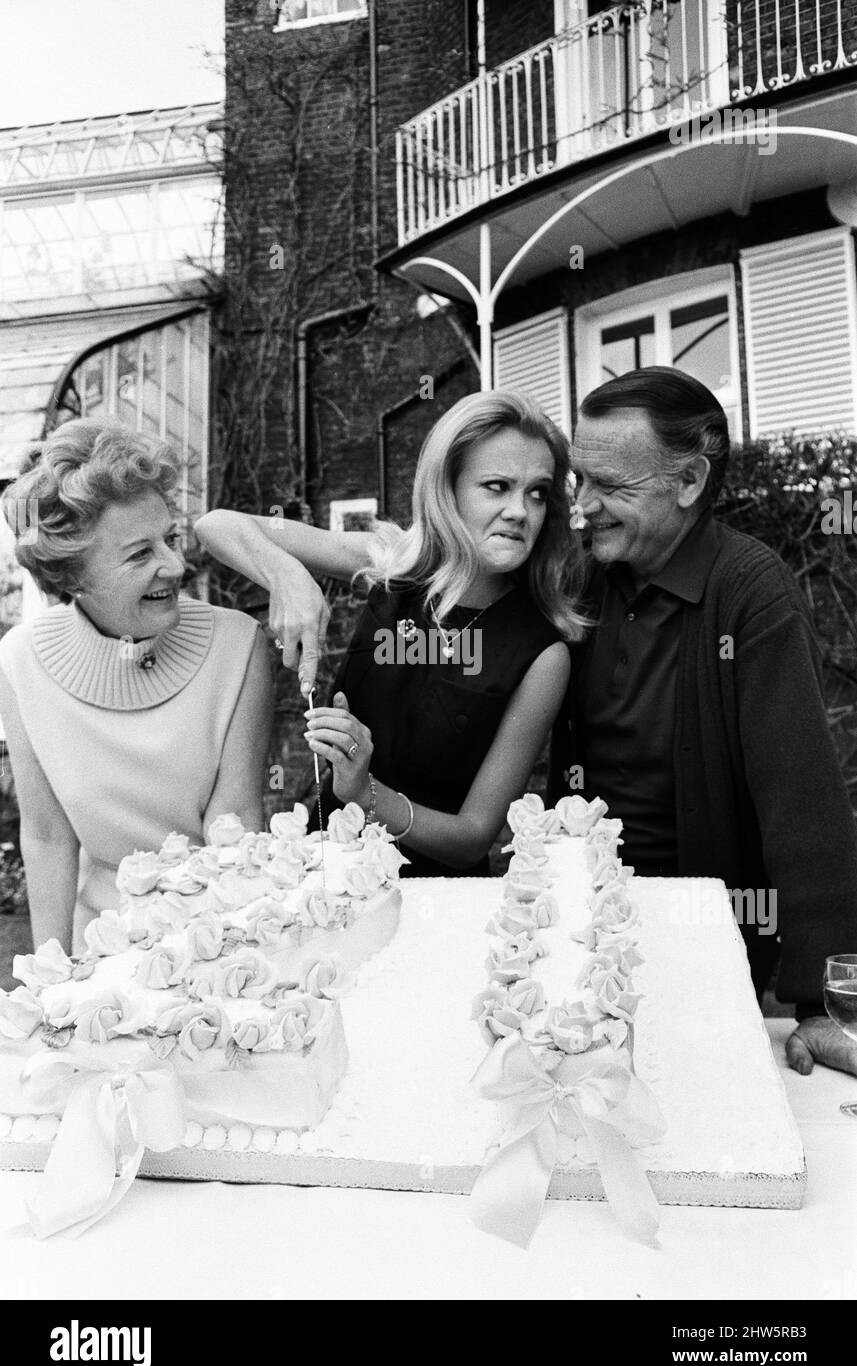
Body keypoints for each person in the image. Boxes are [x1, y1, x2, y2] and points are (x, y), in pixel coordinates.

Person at [546, 366, 857, 1078]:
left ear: (687, 482)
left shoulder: (748, 590)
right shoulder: (583, 576)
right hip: (581, 936)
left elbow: (800, 799)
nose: (581, 509)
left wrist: (820, 1003)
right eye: (577, 482)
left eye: (612, 488)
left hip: (705, 945)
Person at [195, 390, 584, 875]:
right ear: (448, 489)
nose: (520, 511)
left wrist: (365, 792)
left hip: (429, 900)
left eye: (537, 492)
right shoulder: (391, 563)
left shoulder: (543, 653)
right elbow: (215, 525)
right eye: (497, 486)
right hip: (321, 870)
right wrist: (286, 575)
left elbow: (471, 837)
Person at [0, 420, 273, 954]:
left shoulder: (238, 645)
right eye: (139, 553)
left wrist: (227, 965)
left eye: (170, 539)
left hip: (214, 939)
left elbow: (236, 822)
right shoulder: (19, 662)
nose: (175, 565)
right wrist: (49, 984)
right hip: (99, 948)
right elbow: (48, 836)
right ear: (72, 574)